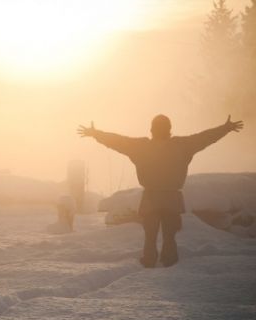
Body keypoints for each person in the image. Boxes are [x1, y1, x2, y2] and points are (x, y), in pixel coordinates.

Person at [77, 114, 243, 268]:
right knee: (169, 234)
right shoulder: (182, 146)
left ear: (151, 129)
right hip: (172, 197)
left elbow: (117, 141)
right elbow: (205, 138)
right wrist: (225, 128)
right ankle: (169, 259)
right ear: (170, 129)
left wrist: (96, 134)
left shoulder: (141, 147)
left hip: (151, 197)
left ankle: (149, 259)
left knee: (150, 234)